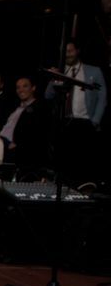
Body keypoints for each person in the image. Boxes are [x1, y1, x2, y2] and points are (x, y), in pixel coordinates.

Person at [45, 39, 106, 185]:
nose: (67, 55)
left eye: (70, 51)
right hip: (64, 123)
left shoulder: (93, 71)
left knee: (82, 163)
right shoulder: (60, 72)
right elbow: (48, 96)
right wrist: (54, 78)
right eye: (64, 52)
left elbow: (102, 97)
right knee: (63, 164)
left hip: (85, 123)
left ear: (77, 51)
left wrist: (95, 121)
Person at [0, 77, 49, 184]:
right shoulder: (16, 107)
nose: (21, 89)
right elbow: (6, 127)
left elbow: (38, 133)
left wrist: (18, 143)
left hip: (13, 146)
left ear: (33, 88)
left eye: (25, 86)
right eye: (18, 87)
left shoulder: (39, 108)